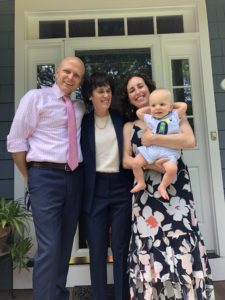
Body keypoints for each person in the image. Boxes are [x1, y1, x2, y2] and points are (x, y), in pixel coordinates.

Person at [120, 73, 215, 299]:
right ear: (128, 97)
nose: (137, 92)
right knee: (149, 239)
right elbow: (125, 159)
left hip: (175, 190)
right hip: (145, 193)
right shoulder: (129, 126)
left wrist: (154, 140)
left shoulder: (174, 116)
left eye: (140, 86)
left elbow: (189, 141)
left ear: (149, 88)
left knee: (180, 235)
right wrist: (153, 165)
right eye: (131, 90)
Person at [7, 56, 85, 300]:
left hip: (74, 177)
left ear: (80, 81)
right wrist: (30, 176)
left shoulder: (79, 107)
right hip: (44, 175)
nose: (70, 77)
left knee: (63, 247)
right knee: (50, 246)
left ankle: (59, 295)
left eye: (76, 75)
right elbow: (16, 142)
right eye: (67, 71)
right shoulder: (35, 98)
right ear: (57, 72)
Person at [81, 72, 133, 300]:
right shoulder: (83, 122)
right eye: (100, 91)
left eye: (108, 90)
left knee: (121, 248)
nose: (106, 95)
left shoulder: (120, 117)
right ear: (90, 96)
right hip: (94, 190)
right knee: (98, 250)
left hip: (121, 187)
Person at [129, 88, 187, 200]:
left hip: (168, 151)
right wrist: (150, 108)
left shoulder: (174, 116)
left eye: (162, 104)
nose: (158, 108)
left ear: (170, 106)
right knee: (135, 163)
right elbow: (139, 112)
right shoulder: (151, 119)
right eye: (154, 105)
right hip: (153, 149)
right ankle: (141, 182)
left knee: (172, 169)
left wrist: (170, 105)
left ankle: (163, 186)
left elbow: (183, 105)